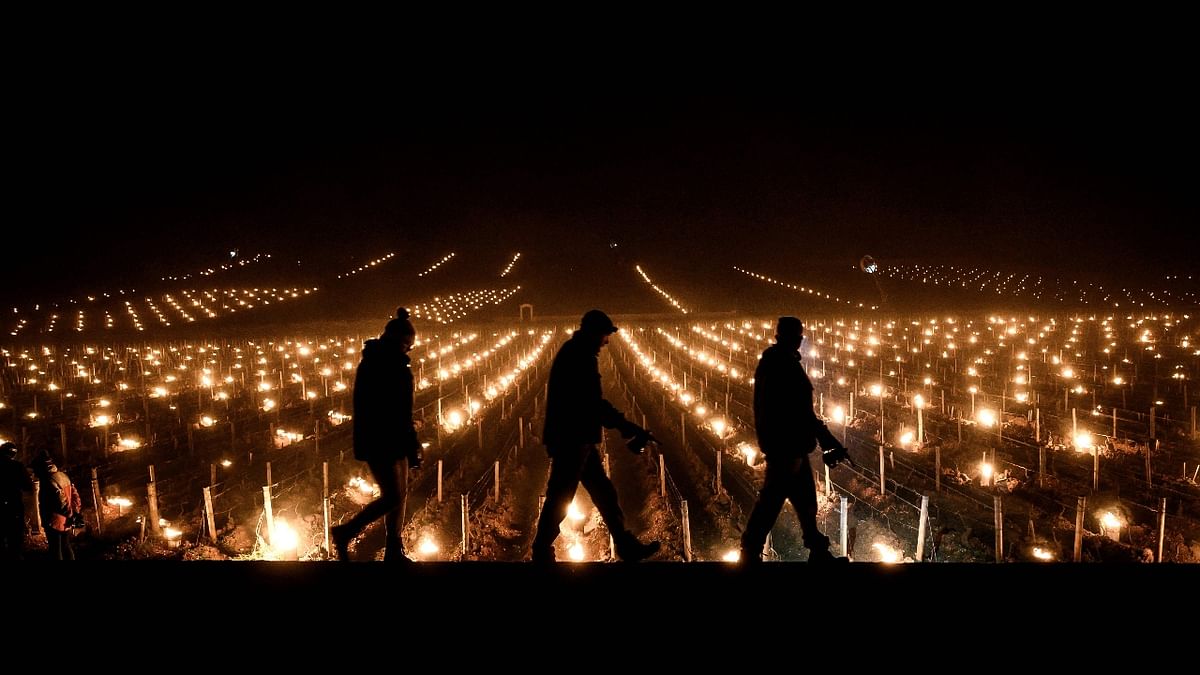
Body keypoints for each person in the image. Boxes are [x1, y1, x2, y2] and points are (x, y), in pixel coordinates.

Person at [530, 309, 661, 563]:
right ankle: (540, 548)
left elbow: (592, 402)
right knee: (561, 496)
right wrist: (625, 426)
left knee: (604, 493)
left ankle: (624, 545)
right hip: (572, 438)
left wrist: (624, 426)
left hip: (579, 438)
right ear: (594, 333)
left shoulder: (577, 352)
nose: (607, 341)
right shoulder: (579, 356)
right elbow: (590, 402)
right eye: (604, 335)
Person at [740, 316, 851, 563]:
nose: (799, 341)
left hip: (792, 444)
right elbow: (796, 410)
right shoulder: (780, 364)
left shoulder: (781, 361)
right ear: (790, 338)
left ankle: (818, 550)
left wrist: (824, 438)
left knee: (805, 498)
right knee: (772, 498)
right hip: (785, 445)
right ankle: (749, 551)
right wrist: (825, 437)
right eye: (797, 336)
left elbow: (800, 410)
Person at [331, 307, 422, 563]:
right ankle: (345, 531)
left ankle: (393, 549)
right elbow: (397, 409)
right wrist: (411, 442)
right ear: (400, 341)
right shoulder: (388, 365)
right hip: (382, 439)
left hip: (388, 437)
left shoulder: (375, 360)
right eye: (408, 345)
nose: (409, 350)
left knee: (398, 496)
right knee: (392, 496)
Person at [34, 456, 81, 560]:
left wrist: (70, 514)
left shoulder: (48, 481)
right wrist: (75, 512)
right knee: (66, 546)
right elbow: (75, 495)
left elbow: (61, 500)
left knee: (55, 549)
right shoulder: (64, 476)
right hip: (66, 519)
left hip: (54, 520)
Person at [0, 442, 33, 559]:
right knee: (15, 539)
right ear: (13, 454)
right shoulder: (17, 466)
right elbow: (28, 486)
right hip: (14, 506)